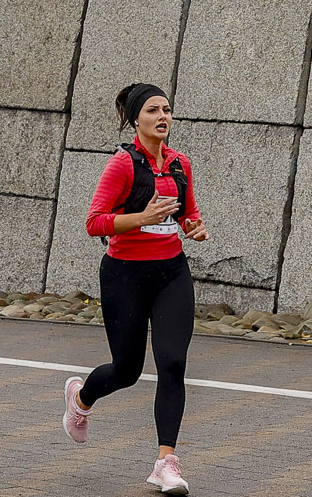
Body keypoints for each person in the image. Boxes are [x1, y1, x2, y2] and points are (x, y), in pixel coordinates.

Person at [63, 84, 206, 495]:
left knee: (172, 362)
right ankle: (81, 397)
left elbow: (188, 213)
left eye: (167, 109)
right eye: (153, 110)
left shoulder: (181, 164)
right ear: (136, 119)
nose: (163, 116)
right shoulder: (122, 165)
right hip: (124, 275)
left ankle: (166, 462)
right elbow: (95, 222)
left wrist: (194, 228)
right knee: (126, 370)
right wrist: (141, 217)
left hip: (171, 274)